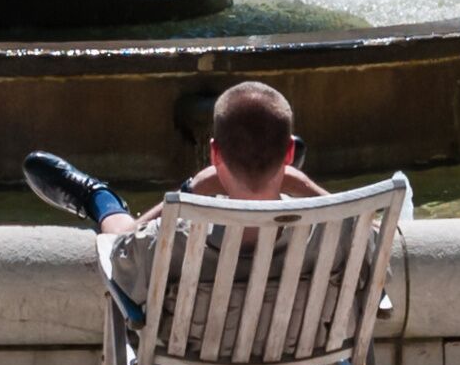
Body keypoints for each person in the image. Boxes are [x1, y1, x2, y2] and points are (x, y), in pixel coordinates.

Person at [22, 82, 326, 244]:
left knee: (121, 229)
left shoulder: (184, 238)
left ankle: (98, 198)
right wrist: (304, 186)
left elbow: (123, 247)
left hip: (191, 362)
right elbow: (374, 235)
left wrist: (191, 190)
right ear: (288, 154)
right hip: (303, 360)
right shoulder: (333, 241)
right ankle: (268, 181)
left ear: (214, 154)